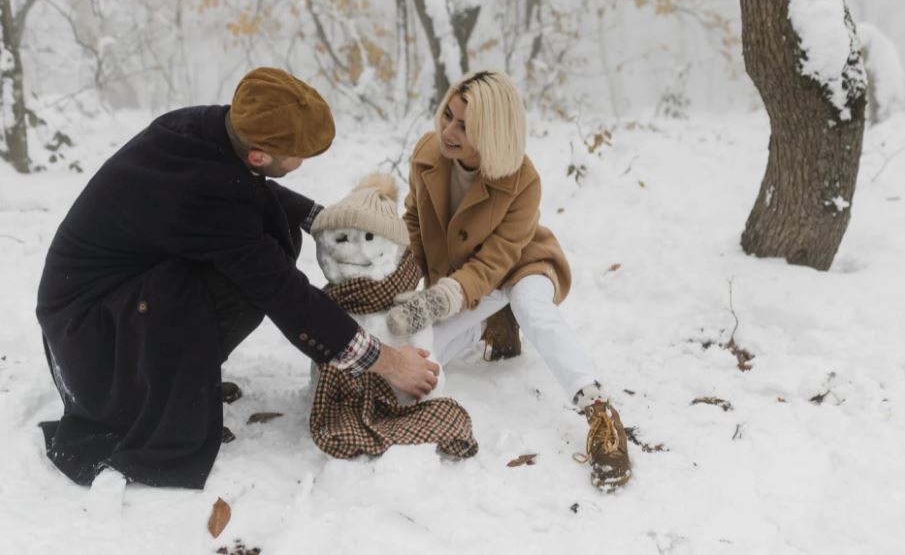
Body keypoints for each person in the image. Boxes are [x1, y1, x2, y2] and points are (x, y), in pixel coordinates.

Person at [36, 67, 438, 489]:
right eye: (298, 155)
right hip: (94, 339)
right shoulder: (209, 197)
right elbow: (285, 295)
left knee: (265, 241)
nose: (304, 162)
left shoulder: (204, 127)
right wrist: (386, 362)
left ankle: (177, 374)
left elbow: (254, 191)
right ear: (260, 156)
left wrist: (329, 220)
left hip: (103, 298)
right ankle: (149, 396)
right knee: (239, 286)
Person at [386, 70, 631, 491]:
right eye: (448, 115)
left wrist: (437, 300)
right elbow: (413, 221)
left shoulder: (523, 180)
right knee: (418, 359)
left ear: (492, 130)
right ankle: (490, 324)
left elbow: (496, 262)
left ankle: (599, 409)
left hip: (520, 264)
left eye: (465, 125)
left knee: (529, 306)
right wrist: (399, 284)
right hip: (461, 281)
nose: (448, 130)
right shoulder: (427, 154)